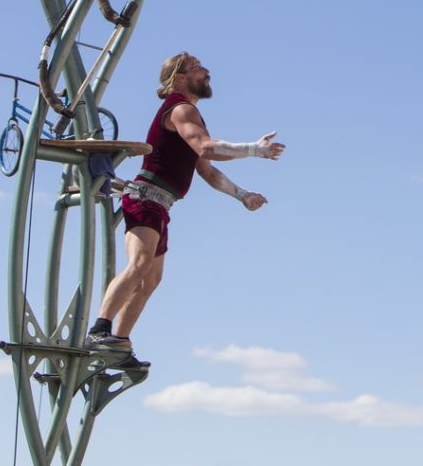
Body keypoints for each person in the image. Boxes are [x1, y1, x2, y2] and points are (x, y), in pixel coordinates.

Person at [84, 53, 284, 369]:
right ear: (179, 77)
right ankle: (99, 331)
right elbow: (206, 148)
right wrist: (253, 150)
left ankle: (118, 344)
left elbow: (206, 169)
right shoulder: (181, 109)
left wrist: (242, 195)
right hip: (144, 198)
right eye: (198, 68)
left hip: (161, 204)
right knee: (138, 265)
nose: (207, 71)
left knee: (150, 280)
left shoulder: (190, 116)